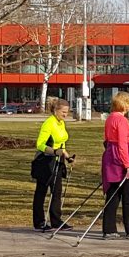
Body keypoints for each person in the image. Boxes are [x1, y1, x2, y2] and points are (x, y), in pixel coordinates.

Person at [100, 91, 129, 240]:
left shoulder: (110, 118)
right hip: (121, 159)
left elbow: (107, 140)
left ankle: (109, 229)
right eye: (128, 104)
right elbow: (122, 144)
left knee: (113, 195)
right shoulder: (121, 120)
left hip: (111, 157)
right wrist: (127, 165)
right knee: (128, 196)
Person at [31, 97, 76, 232]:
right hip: (45, 161)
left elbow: (61, 144)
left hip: (58, 161)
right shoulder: (49, 123)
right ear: (56, 110)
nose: (65, 115)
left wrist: (67, 157)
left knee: (57, 192)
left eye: (67, 112)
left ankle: (56, 221)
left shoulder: (61, 123)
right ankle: (39, 222)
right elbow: (40, 145)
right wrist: (54, 152)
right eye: (63, 112)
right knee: (41, 191)